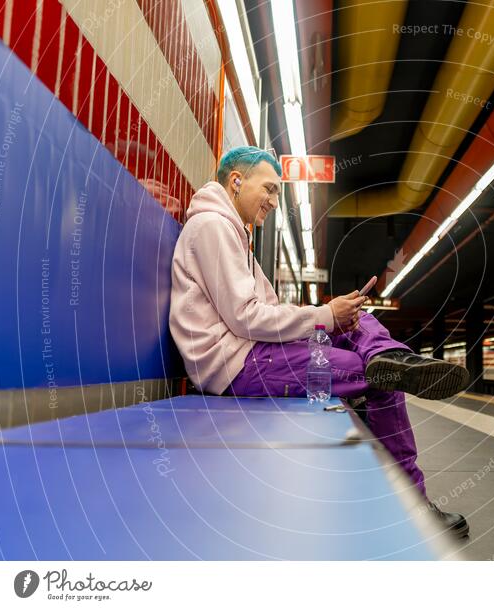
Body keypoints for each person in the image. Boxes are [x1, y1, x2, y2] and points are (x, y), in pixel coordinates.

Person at [169, 146, 470, 538]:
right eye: (270, 190)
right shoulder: (213, 227)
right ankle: (410, 508)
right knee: (383, 380)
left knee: (362, 321)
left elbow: (270, 311)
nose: (275, 202)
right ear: (236, 181)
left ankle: (391, 355)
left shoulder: (235, 235)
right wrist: (325, 317)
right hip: (239, 367)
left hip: (257, 356)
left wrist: (336, 318)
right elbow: (246, 317)